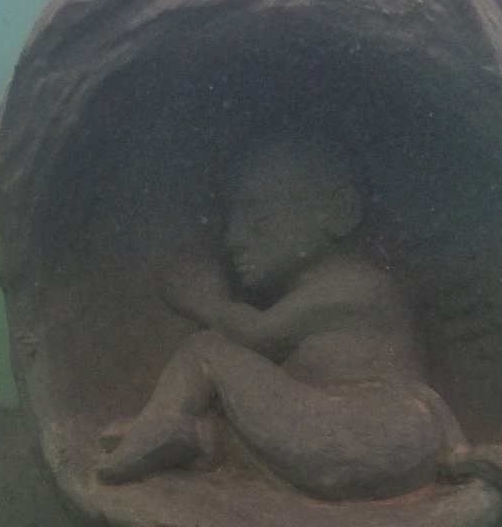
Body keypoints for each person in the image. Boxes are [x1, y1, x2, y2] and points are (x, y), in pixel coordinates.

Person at [97, 137, 466, 499]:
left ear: (340, 211)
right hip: (389, 437)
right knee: (241, 418)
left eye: (258, 216)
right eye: (231, 219)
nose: (233, 239)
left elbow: (256, 336)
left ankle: (167, 422)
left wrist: (204, 302)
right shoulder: (353, 291)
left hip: (369, 430)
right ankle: (194, 438)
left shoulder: (355, 285)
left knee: (206, 349)